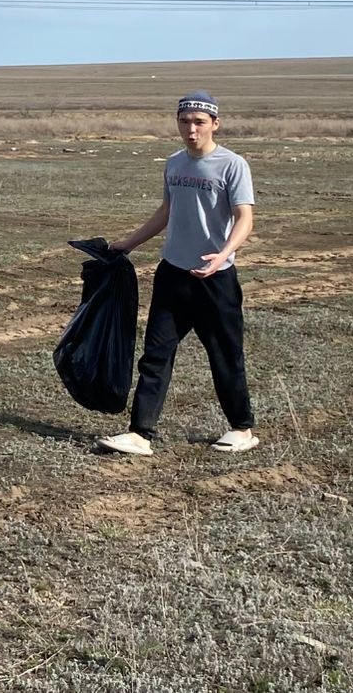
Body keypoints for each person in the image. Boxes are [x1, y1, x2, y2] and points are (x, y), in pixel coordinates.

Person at [99, 91, 257, 456]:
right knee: (155, 354)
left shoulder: (232, 165)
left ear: (215, 124)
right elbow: (166, 211)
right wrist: (128, 244)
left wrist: (223, 255)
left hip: (215, 279)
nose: (191, 129)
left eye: (199, 122)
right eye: (185, 122)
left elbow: (244, 218)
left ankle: (242, 429)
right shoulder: (174, 163)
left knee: (225, 355)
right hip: (172, 275)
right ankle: (140, 434)